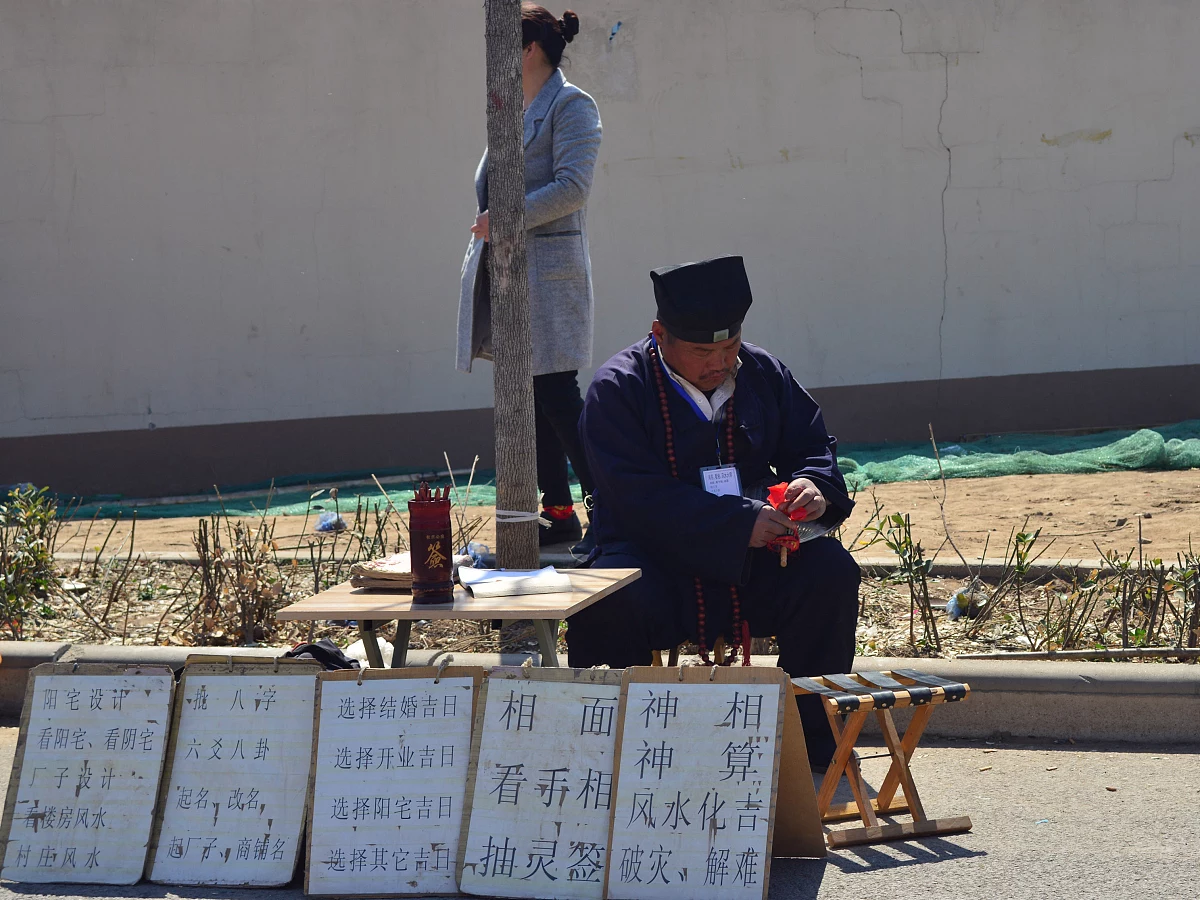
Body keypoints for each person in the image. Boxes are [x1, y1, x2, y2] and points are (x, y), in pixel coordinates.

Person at [565, 255, 861, 766]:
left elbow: (811, 445)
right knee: (605, 598)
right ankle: (612, 754)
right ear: (660, 334)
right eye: (703, 350)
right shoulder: (618, 388)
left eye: (730, 346)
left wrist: (812, 485)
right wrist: (734, 523)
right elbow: (633, 494)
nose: (720, 362)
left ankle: (809, 743)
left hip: (753, 563)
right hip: (654, 558)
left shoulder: (761, 371)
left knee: (829, 570)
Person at [456, 5, 602, 552]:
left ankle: (607, 506)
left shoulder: (571, 104)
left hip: (549, 273)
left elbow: (572, 188)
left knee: (558, 392)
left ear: (528, 49)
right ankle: (558, 513)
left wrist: (508, 215)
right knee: (534, 394)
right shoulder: (514, 109)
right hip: (514, 275)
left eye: (500, 46)